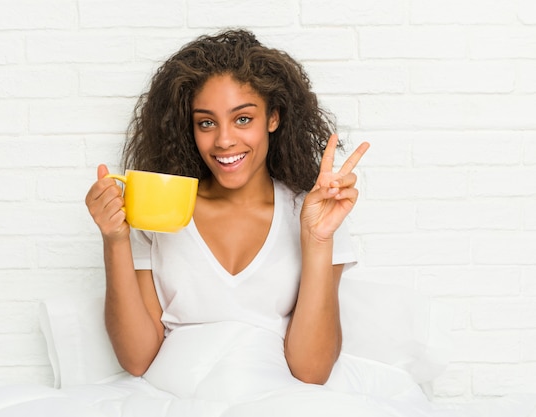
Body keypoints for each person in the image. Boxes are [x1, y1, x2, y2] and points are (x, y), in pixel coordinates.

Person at [85, 28, 370, 390]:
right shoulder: (157, 212)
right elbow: (137, 359)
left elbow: (312, 371)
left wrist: (316, 240)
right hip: (170, 397)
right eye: (206, 122)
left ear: (274, 118)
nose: (223, 140)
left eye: (243, 119)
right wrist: (114, 241)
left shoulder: (314, 212)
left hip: (270, 399)